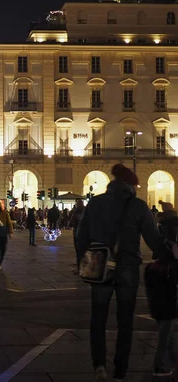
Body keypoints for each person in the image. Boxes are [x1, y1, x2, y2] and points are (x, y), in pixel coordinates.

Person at [77, 163, 161, 382]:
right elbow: (153, 240)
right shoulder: (139, 206)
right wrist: (168, 254)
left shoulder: (95, 203)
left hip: (100, 264)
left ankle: (99, 366)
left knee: (98, 317)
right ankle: (120, 371)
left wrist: (83, 262)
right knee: (125, 320)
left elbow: (81, 237)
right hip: (128, 268)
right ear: (131, 186)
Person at [145, 200, 178, 378]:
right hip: (168, 275)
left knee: (167, 321)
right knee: (167, 322)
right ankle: (160, 363)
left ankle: (170, 359)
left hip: (156, 272)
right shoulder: (173, 229)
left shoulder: (161, 227)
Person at [68, 199, 85, 268]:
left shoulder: (76, 212)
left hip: (77, 233)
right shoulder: (86, 210)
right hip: (86, 234)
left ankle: (79, 267)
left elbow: (71, 223)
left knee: (78, 251)